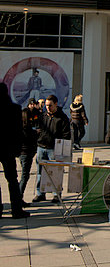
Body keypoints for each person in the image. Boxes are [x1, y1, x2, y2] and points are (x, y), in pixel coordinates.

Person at [32, 94, 71, 203]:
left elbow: (66, 134)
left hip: (54, 148)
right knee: (40, 172)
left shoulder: (62, 118)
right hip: (41, 147)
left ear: (56, 104)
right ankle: (40, 193)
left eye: (50, 105)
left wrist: (62, 147)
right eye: (46, 105)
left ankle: (56, 194)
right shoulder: (43, 116)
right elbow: (38, 128)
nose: (48, 107)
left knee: (55, 172)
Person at [0, 83, 29, 219]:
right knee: (12, 180)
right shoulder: (14, 109)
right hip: (8, 150)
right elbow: (18, 131)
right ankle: (16, 209)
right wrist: (17, 149)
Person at [19, 99, 40, 204]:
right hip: (25, 151)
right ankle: (18, 198)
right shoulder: (25, 129)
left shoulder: (25, 125)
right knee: (24, 175)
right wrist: (34, 132)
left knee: (25, 175)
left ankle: (18, 198)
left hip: (26, 151)